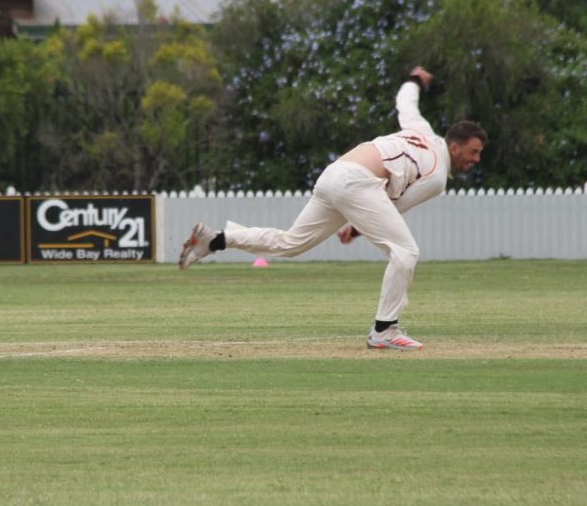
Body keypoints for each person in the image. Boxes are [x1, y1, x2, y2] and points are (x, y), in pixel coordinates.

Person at [178, 67, 487, 351]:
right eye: (473, 152)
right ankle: (384, 331)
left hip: (336, 173)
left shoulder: (421, 130)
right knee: (405, 252)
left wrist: (415, 79)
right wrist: (355, 227)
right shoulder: (436, 177)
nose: (475, 160)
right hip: (359, 183)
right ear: (455, 147)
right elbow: (397, 205)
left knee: (291, 243)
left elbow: (405, 100)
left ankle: (215, 239)